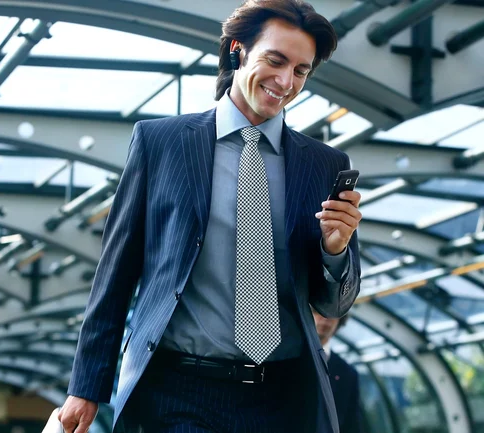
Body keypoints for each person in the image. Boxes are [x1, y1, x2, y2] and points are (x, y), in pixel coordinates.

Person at [59, 0, 362, 432]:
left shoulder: (324, 165)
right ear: (238, 49)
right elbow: (116, 274)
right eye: (274, 61)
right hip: (179, 391)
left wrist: (335, 249)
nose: (285, 81)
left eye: (300, 71)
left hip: (282, 400)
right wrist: (86, 387)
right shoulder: (160, 143)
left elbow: (334, 302)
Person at [312, 310, 365, 433]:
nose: (325, 318)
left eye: (334, 314)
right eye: (317, 311)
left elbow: (352, 423)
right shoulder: (285, 358)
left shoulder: (347, 373)